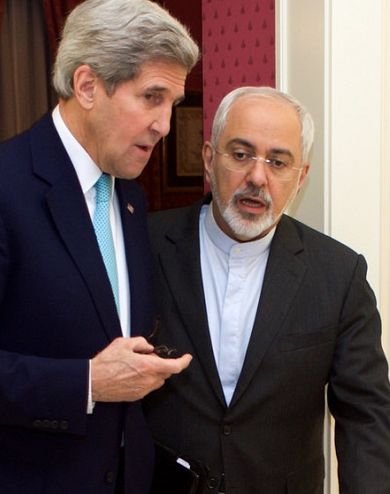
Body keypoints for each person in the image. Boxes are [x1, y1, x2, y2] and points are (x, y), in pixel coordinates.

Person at [0, 0, 199, 494]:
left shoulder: (129, 198)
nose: (164, 125)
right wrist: (85, 382)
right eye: (152, 97)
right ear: (87, 85)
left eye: (173, 103)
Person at [144, 86, 390, 493]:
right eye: (241, 155)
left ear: (301, 177)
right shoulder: (144, 245)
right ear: (208, 158)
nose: (258, 177)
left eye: (278, 162)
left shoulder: (338, 274)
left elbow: (365, 416)